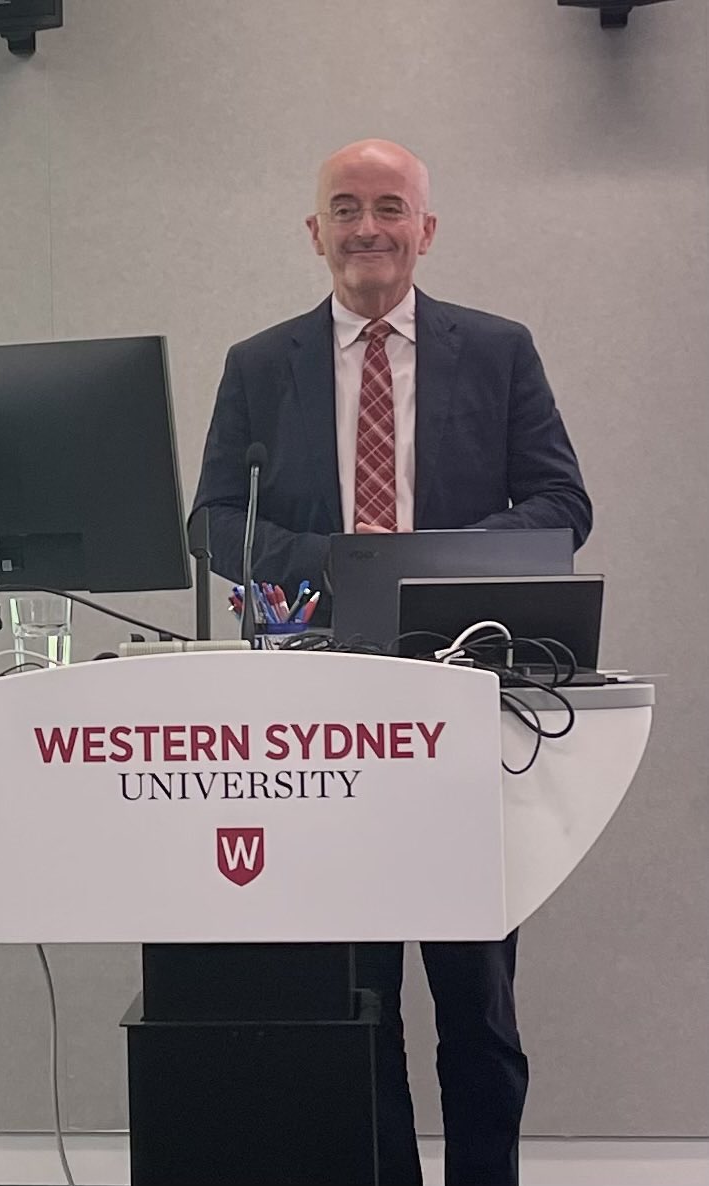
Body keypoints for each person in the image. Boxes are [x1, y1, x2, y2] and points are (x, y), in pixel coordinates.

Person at [190, 139, 592, 1186]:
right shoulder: (256, 364)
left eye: (388, 206)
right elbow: (212, 520)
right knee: (354, 1006)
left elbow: (561, 504)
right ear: (312, 231)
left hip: (465, 721)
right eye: (343, 206)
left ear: (424, 228)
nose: (366, 226)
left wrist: (429, 567)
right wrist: (343, 564)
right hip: (321, 723)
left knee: (477, 1012)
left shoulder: (497, 351)